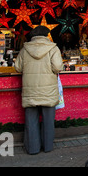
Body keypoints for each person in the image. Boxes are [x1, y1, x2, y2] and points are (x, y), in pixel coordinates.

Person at [14, 26, 64, 154]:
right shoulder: (53, 48)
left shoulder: (25, 49)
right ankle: (47, 147)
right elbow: (58, 67)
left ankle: (33, 149)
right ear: (47, 35)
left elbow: (18, 68)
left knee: (31, 120)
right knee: (48, 121)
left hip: (30, 91)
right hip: (48, 91)